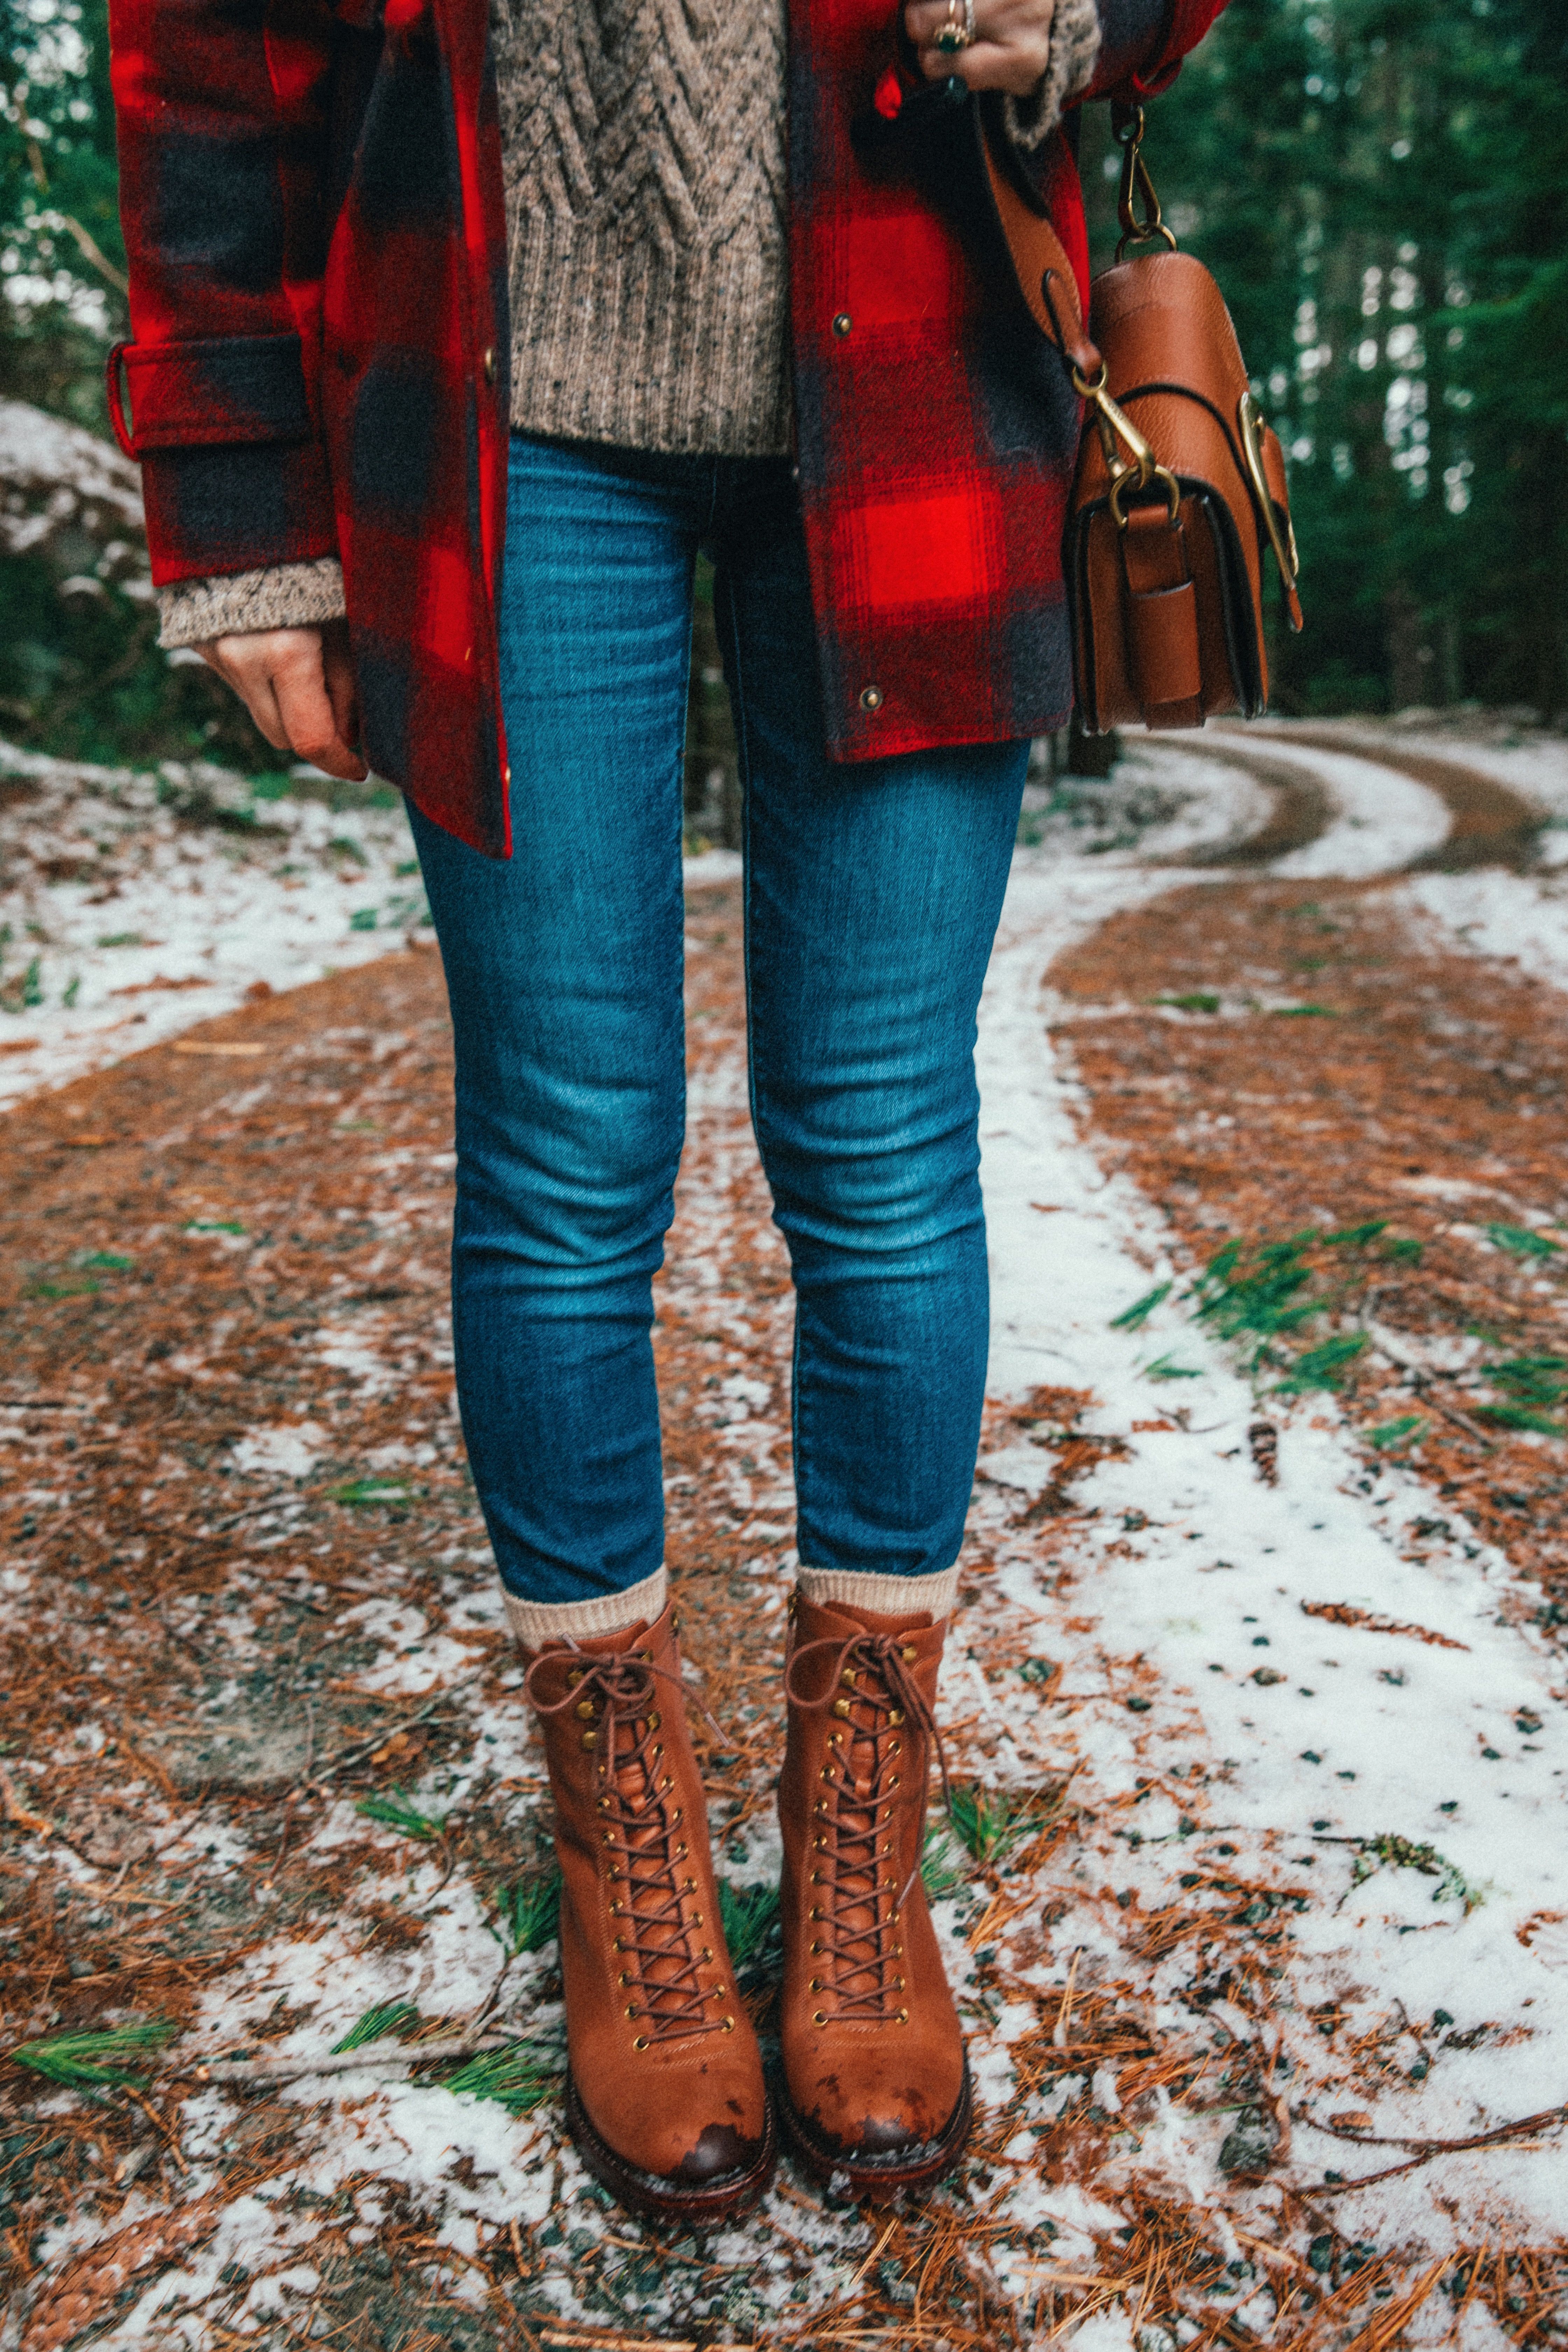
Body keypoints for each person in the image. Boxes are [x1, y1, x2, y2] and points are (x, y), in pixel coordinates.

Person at [109, 0, 1227, 2223]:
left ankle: (856, 1833)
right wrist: (234, 503)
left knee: (890, 1138)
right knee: (557, 1162)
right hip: (498, 418)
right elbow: (207, 60)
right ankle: (621, 1810)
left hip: (919, 370)